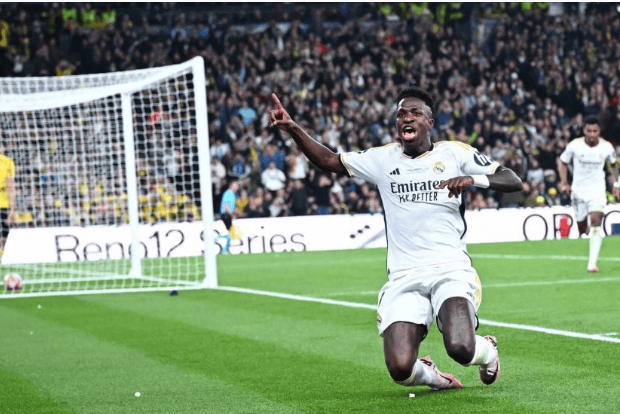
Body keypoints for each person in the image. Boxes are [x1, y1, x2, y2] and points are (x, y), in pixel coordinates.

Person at [268, 87, 523, 390]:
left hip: (450, 268)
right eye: (401, 114)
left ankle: (488, 351)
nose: (407, 118)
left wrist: (473, 179)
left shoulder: (455, 153)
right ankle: (433, 376)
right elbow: (329, 160)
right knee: (401, 369)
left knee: (461, 348)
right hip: (404, 275)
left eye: (415, 113)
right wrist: (293, 129)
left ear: (430, 122)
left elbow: (512, 180)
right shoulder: (382, 159)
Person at [558, 116, 620, 273]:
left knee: (596, 221)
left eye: (595, 131)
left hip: (597, 190)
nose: (592, 134)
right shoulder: (575, 145)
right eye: (589, 131)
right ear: (584, 131)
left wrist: (615, 184)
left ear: (599, 132)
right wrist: (564, 182)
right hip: (578, 191)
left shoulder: (606, 147)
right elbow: (563, 162)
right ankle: (583, 228)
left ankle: (592, 264)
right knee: (582, 226)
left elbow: (613, 166)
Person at [0, 143, 16, 263]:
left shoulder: (7, 161)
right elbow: (11, 186)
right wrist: (12, 207)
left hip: (3, 203)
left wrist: (12, 207)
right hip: (4, 203)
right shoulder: (7, 161)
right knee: (4, 234)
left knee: (4, 233)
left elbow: (10, 186)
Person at [218, 181, 239, 254]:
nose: (237, 188)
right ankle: (223, 247)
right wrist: (231, 215)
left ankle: (226, 248)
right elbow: (226, 206)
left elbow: (231, 206)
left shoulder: (233, 194)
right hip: (226, 215)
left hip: (228, 214)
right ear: (231, 186)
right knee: (228, 231)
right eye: (235, 186)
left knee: (229, 231)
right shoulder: (228, 193)